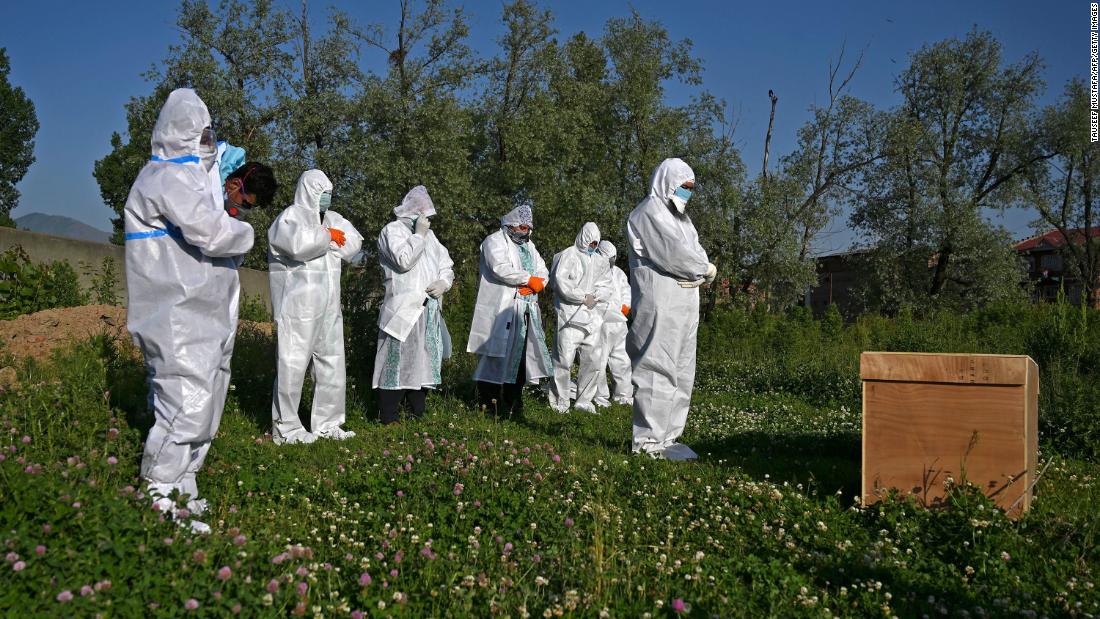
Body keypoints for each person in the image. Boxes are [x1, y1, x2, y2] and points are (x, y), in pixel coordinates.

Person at [124, 88, 254, 532]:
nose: (207, 142)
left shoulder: (191, 179)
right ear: (182, 132)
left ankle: (184, 489)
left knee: (208, 403)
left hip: (204, 316)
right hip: (176, 316)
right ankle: (159, 497)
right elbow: (212, 233)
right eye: (202, 133)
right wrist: (245, 232)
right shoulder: (165, 177)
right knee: (185, 405)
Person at [626, 158, 716, 460]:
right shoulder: (648, 213)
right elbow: (675, 255)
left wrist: (701, 266)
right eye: (683, 187)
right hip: (660, 302)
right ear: (667, 183)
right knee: (656, 368)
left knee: (681, 371)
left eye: (691, 188)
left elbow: (696, 249)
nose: (687, 193)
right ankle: (648, 442)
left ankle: (669, 438)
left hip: (686, 302)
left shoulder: (683, 220)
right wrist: (703, 268)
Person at [268, 170, 363, 444]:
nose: (327, 199)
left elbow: (353, 242)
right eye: (322, 193)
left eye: (330, 193)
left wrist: (328, 237)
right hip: (298, 307)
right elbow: (298, 246)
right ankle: (287, 428)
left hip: (330, 304)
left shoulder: (333, 218)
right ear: (309, 191)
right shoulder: (290, 217)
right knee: (292, 363)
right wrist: (328, 237)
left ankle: (329, 424)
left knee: (332, 363)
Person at [373, 186, 455, 424]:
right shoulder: (393, 230)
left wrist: (443, 282)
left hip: (429, 309)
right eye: (424, 214)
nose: (426, 220)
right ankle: (388, 418)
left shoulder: (431, 237)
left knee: (423, 363)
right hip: (404, 309)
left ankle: (416, 415)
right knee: (396, 363)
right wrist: (418, 235)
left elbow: (446, 265)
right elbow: (403, 261)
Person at [467, 204, 552, 418]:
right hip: (501, 308)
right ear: (511, 225)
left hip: (524, 310)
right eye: (522, 227)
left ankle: (513, 402)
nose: (526, 231)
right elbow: (500, 268)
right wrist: (527, 279)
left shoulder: (529, 247)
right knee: (495, 356)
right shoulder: (494, 241)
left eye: (528, 228)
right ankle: (488, 404)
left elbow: (542, 269)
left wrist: (539, 282)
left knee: (520, 358)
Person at [548, 222, 607, 414]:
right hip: (569, 317)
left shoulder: (599, 260)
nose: (592, 247)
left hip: (592, 317)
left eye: (595, 244)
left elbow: (607, 284)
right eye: (590, 243)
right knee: (563, 360)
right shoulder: (568, 255)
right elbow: (560, 283)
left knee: (592, 360)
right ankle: (559, 402)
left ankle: (584, 401)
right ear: (583, 238)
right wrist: (583, 297)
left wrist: (596, 296)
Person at [593, 240, 633, 407]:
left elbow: (626, 290)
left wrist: (626, 305)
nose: (610, 262)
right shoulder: (592, 272)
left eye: (613, 259)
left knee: (622, 360)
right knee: (599, 361)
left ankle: (623, 396)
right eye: (608, 259)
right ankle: (600, 398)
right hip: (601, 323)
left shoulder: (618, 273)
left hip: (619, 324)